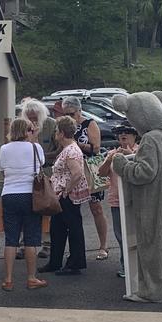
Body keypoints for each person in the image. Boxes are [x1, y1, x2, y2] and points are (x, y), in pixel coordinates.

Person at [111, 91, 162, 302]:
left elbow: (145, 172)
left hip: (151, 202)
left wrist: (122, 164)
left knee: (151, 245)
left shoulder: (150, 139)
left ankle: (151, 291)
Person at [0, 118, 48, 291]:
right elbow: (40, 164)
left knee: (11, 240)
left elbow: (3, 170)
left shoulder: (4, 149)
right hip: (30, 195)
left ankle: (8, 279)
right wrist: (33, 140)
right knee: (31, 239)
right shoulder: (35, 147)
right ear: (28, 131)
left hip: (9, 194)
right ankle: (31, 278)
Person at [38, 116, 90, 275]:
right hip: (61, 196)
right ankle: (55, 261)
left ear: (61, 133)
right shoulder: (68, 149)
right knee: (57, 229)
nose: (55, 135)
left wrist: (66, 191)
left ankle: (75, 263)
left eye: (56, 132)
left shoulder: (71, 151)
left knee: (73, 228)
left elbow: (77, 173)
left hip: (68, 196)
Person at [61, 96, 110, 261]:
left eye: (72, 113)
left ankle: (103, 246)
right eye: (65, 113)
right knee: (70, 209)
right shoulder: (64, 125)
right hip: (71, 170)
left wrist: (76, 144)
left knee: (96, 207)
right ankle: (75, 248)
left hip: (89, 168)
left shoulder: (89, 124)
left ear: (79, 111)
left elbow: (96, 149)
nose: (69, 117)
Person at [98, 122, 139, 278]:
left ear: (135, 135)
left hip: (134, 199)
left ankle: (137, 266)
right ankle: (125, 265)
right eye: (120, 133)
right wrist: (109, 160)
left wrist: (128, 154)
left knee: (135, 234)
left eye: (127, 132)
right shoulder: (113, 152)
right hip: (116, 199)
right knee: (121, 235)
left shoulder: (139, 151)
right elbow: (101, 174)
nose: (123, 135)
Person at [20, 99, 59, 259]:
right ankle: (25, 243)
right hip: (27, 172)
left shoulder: (51, 125)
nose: (32, 120)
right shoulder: (21, 126)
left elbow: (59, 149)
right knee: (27, 208)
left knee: (46, 208)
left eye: (35, 117)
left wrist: (41, 156)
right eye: (29, 117)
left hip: (47, 171)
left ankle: (47, 244)